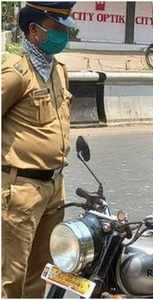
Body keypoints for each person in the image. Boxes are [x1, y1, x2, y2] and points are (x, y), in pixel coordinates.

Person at [2, 2, 76, 298]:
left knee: (40, 271)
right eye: (57, 28)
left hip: (55, 187)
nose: (64, 35)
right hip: (22, 189)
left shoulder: (59, 70)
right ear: (34, 31)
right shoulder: (15, 72)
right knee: (12, 276)